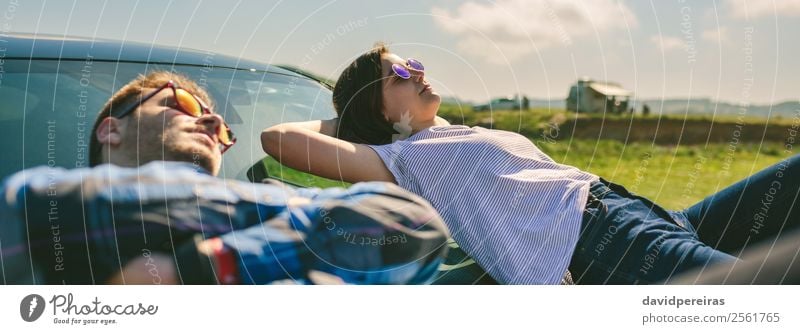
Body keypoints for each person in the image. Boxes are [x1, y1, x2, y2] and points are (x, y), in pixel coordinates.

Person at [261, 43, 800, 284]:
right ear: (375, 110)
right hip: (604, 244)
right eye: (399, 72)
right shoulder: (395, 159)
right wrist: (355, 126)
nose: (416, 69)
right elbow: (278, 138)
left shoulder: (450, 134)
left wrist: (389, 111)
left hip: (645, 217)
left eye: (413, 61)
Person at [0, 71, 448, 285]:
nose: (214, 123)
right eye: (186, 106)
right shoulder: (38, 191)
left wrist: (205, 267)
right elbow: (33, 209)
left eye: (226, 131)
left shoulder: (271, 194)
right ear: (110, 129)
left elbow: (409, 223)